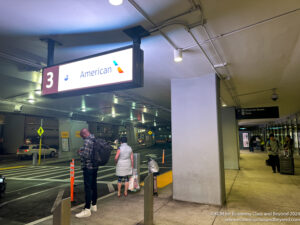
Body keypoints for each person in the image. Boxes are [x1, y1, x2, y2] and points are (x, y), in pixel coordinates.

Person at [76, 128, 98, 218]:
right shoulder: (94, 139)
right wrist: (83, 150)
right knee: (94, 186)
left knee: (88, 188)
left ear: (84, 134)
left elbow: (86, 155)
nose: (83, 139)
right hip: (95, 167)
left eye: (82, 137)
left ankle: (87, 209)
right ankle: (94, 205)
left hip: (88, 167)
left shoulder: (87, 141)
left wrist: (79, 153)